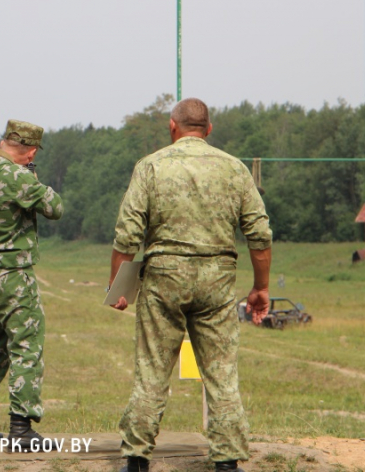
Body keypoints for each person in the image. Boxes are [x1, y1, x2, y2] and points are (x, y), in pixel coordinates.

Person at [108, 98, 272, 472]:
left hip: (163, 279)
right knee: (221, 372)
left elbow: (127, 235)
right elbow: (259, 235)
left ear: (172, 126)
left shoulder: (150, 167)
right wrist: (260, 287)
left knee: (152, 370)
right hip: (217, 279)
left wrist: (119, 287)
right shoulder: (234, 168)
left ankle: (135, 459)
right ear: (208, 129)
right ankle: (227, 461)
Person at [0, 119, 63, 449]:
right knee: (26, 346)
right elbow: (54, 207)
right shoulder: (17, 176)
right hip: (13, 277)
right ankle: (21, 428)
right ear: (30, 150)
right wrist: (33, 176)